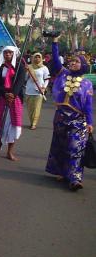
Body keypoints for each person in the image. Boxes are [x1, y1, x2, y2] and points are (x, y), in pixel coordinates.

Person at [45, 35, 93, 191]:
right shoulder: (62, 73)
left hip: (78, 120)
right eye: (72, 60)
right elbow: (56, 61)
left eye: (77, 61)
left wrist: (90, 122)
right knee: (60, 145)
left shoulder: (86, 84)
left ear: (84, 65)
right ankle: (60, 171)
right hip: (60, 117)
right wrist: (55, 42)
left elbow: (88, 105)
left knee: (75, 147)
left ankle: (75, 178)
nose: (73, 62)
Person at [0, 46, 26, 161]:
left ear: (14, 54)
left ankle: (10, 151)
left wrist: (13, 94)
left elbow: (20, 82)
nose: (7, 55)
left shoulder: (20, 67)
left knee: (13, 124)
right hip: (3, 97)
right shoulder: (0, 67)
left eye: (10, 53)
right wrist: (4, 93)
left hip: (15, 99)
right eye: (5, 53)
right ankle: (0, 144)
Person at [25, 52, 50, 130]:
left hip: (39, 90)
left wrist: (44, 87)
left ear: (41, 58)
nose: (37, 59)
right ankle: (31, 121)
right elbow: (25, 79)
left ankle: (34, 124)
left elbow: (47, 79)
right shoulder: (29, 67)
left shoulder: (44, 68)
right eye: (36, 57)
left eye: (39, 57)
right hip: (29, 90)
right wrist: (27, 71)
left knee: (36, 108)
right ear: (33, 58)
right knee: (30, 109)